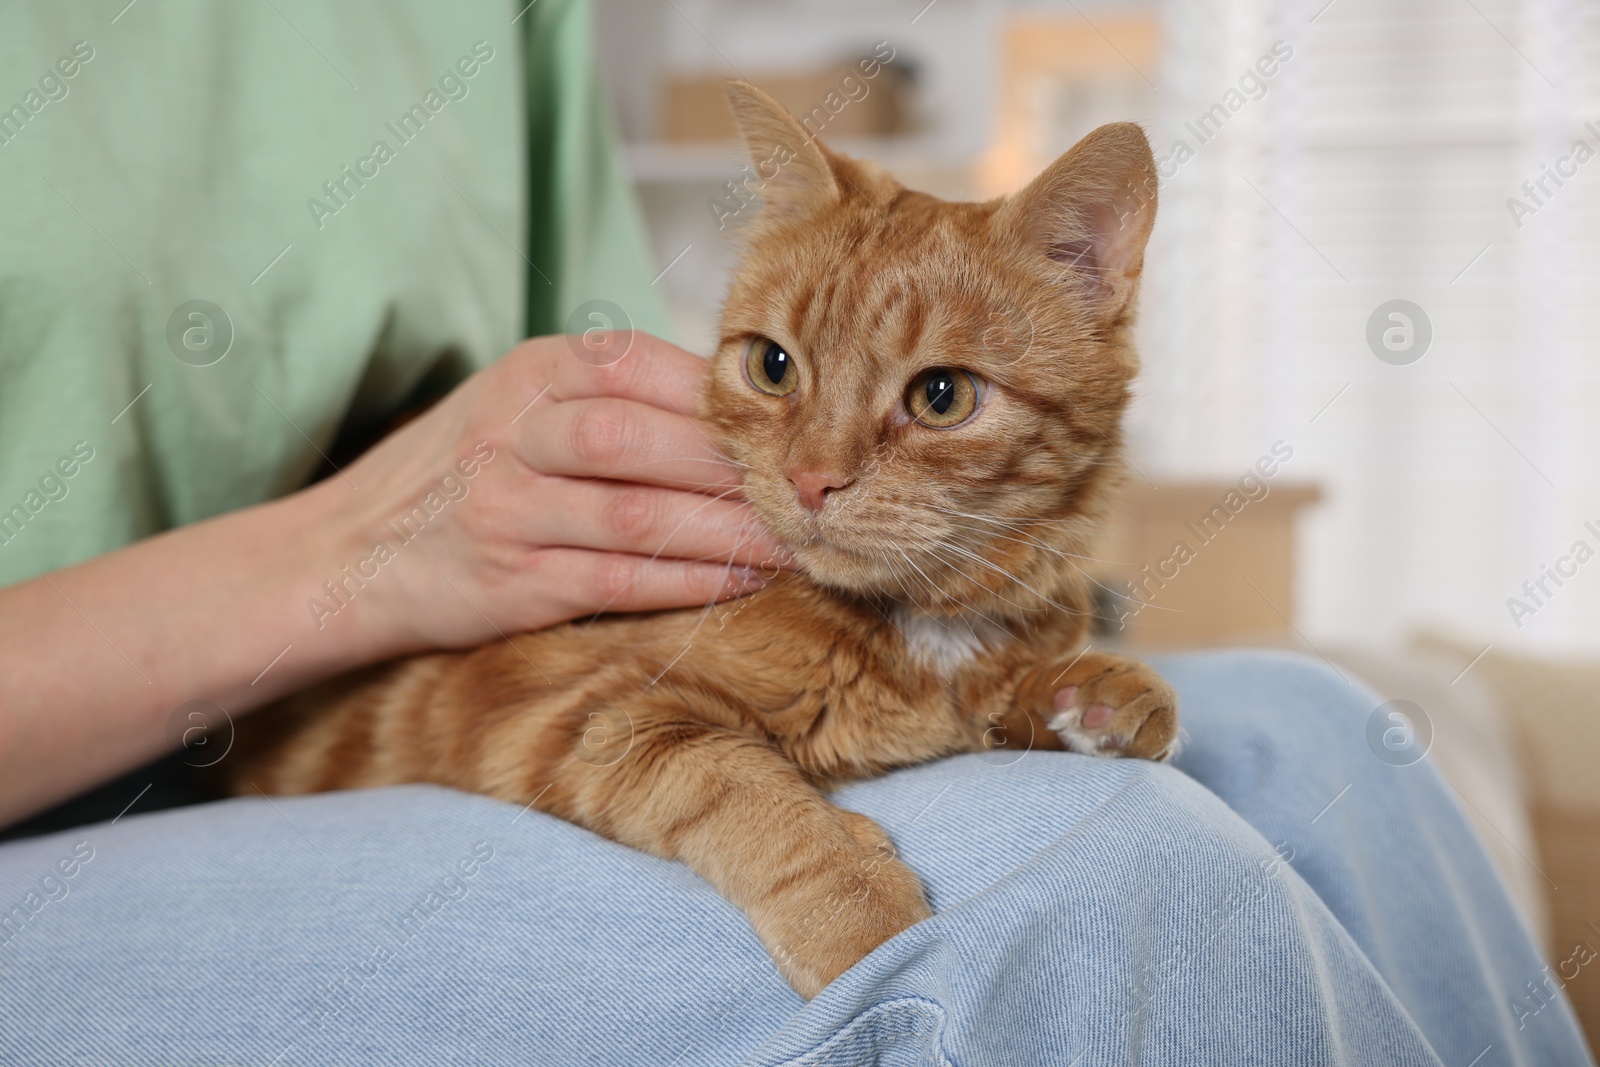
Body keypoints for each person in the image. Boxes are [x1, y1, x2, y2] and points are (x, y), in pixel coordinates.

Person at [0, 3, 1591, 1064]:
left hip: (493, 636)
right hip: (91, 793)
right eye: (773, 373)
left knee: (1328, 736)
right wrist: (339, 556)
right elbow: (579, 702)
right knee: (1116, 872)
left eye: (935, 397)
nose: (820, 467)